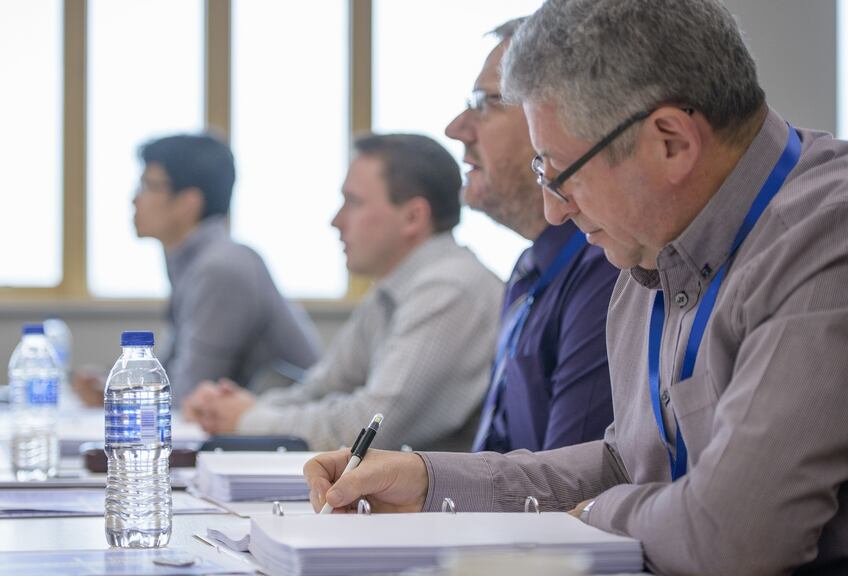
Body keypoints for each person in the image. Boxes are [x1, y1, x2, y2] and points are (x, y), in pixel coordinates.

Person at [304, 1, 848, 574]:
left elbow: (734, 537)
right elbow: (629, 462)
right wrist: (426, 480)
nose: (554, 212)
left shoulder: (823, 238)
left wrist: (590, 515)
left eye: (560, 175)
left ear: (671, 143)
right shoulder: (652, 245)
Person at [184, 134, 502, 451]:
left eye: (353, 202)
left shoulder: (449, 289)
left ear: (413, 217)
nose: (336, 221)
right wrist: (230, 410)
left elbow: (365, 428)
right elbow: (322, 389)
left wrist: (246, 420)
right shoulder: (394, 288)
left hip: (451, 501)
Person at [445, 17, 617, 454]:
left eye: (484, 103)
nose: (456, 128)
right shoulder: (530, 269)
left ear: (551, 118)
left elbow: (566, 488)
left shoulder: (608, 262)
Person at [74, 133, 322, 405]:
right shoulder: (195, 262)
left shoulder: (221, 268)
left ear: (188, 202)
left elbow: (189, 392)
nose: (135, 198)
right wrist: (112, 387)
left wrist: (118, 396)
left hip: (292, 437)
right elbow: (175, 373)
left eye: (149, 185)